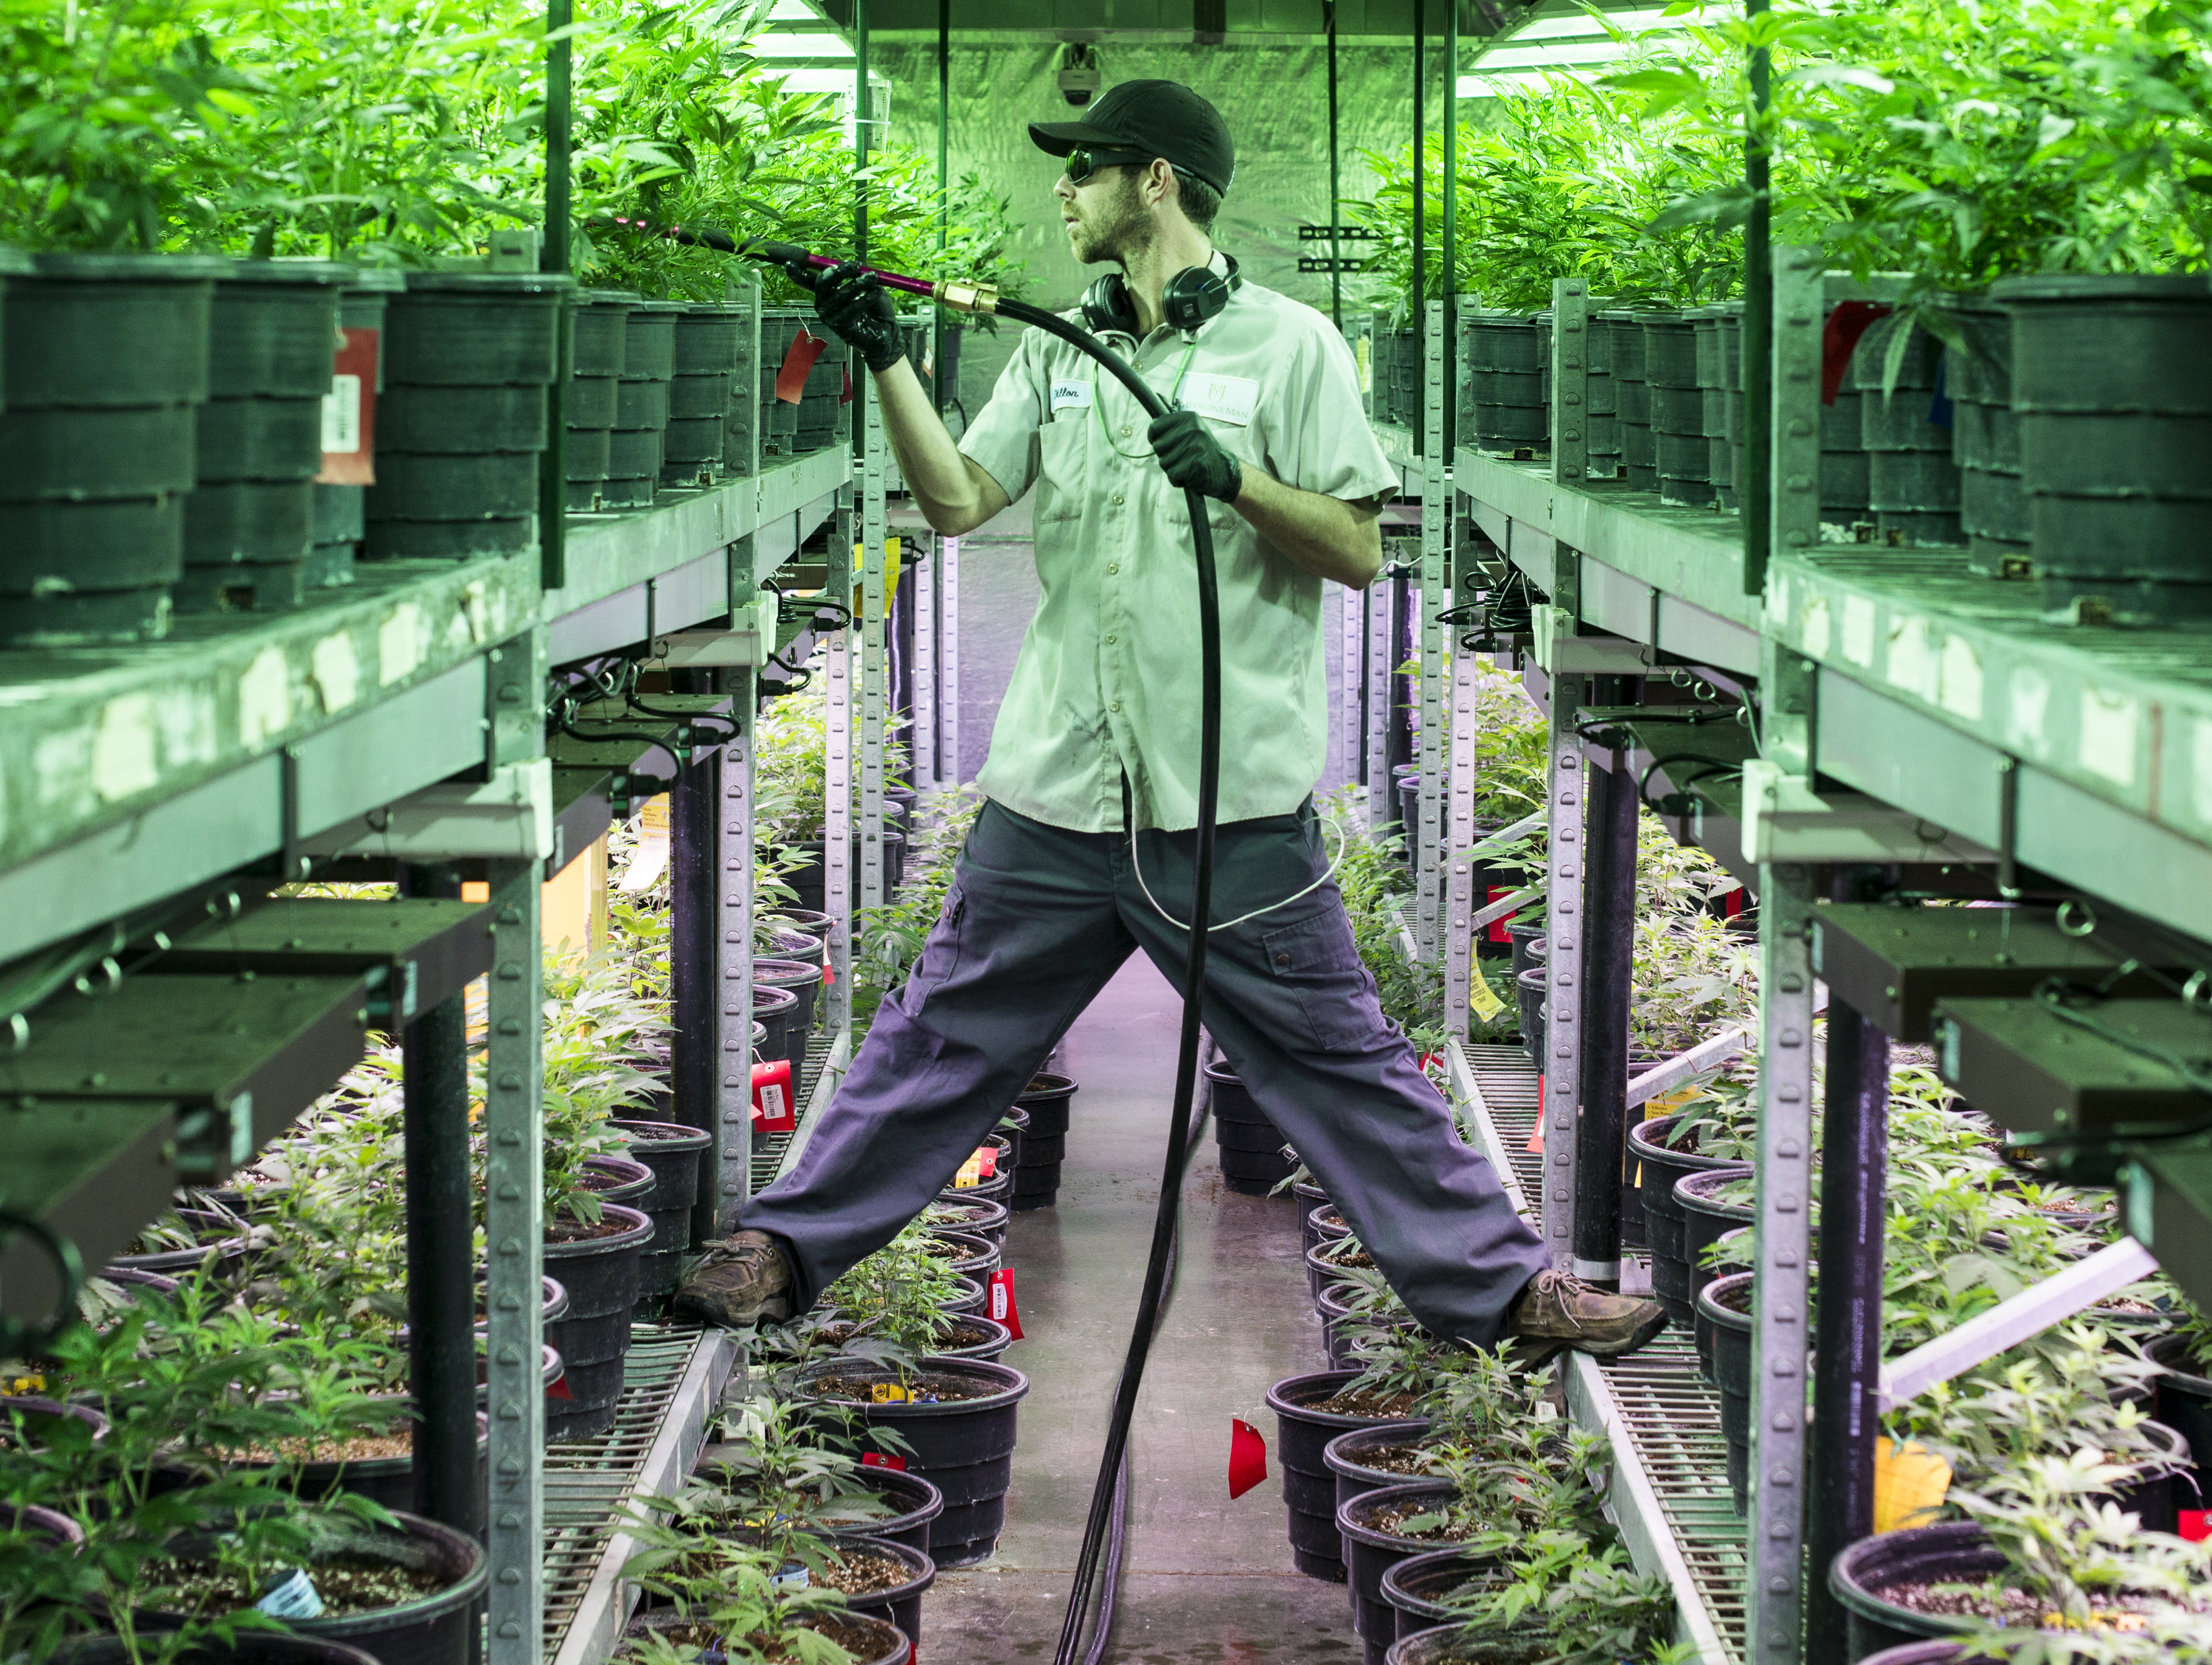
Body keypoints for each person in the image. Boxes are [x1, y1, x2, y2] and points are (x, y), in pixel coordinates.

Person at [673, 78, 1660, 1359]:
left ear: (1157, 181)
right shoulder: (1056, 350)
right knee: (932, 1044)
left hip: (1225, 801)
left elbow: (1359, 549)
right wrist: (889, 364)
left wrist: (1239, 479)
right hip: (1055, 789)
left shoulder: (1290, 346)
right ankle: (780, 1251)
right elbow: (964, 500)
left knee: (1339, 1062)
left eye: (1081, 167)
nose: (1060, 190)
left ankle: (1510, 1287)